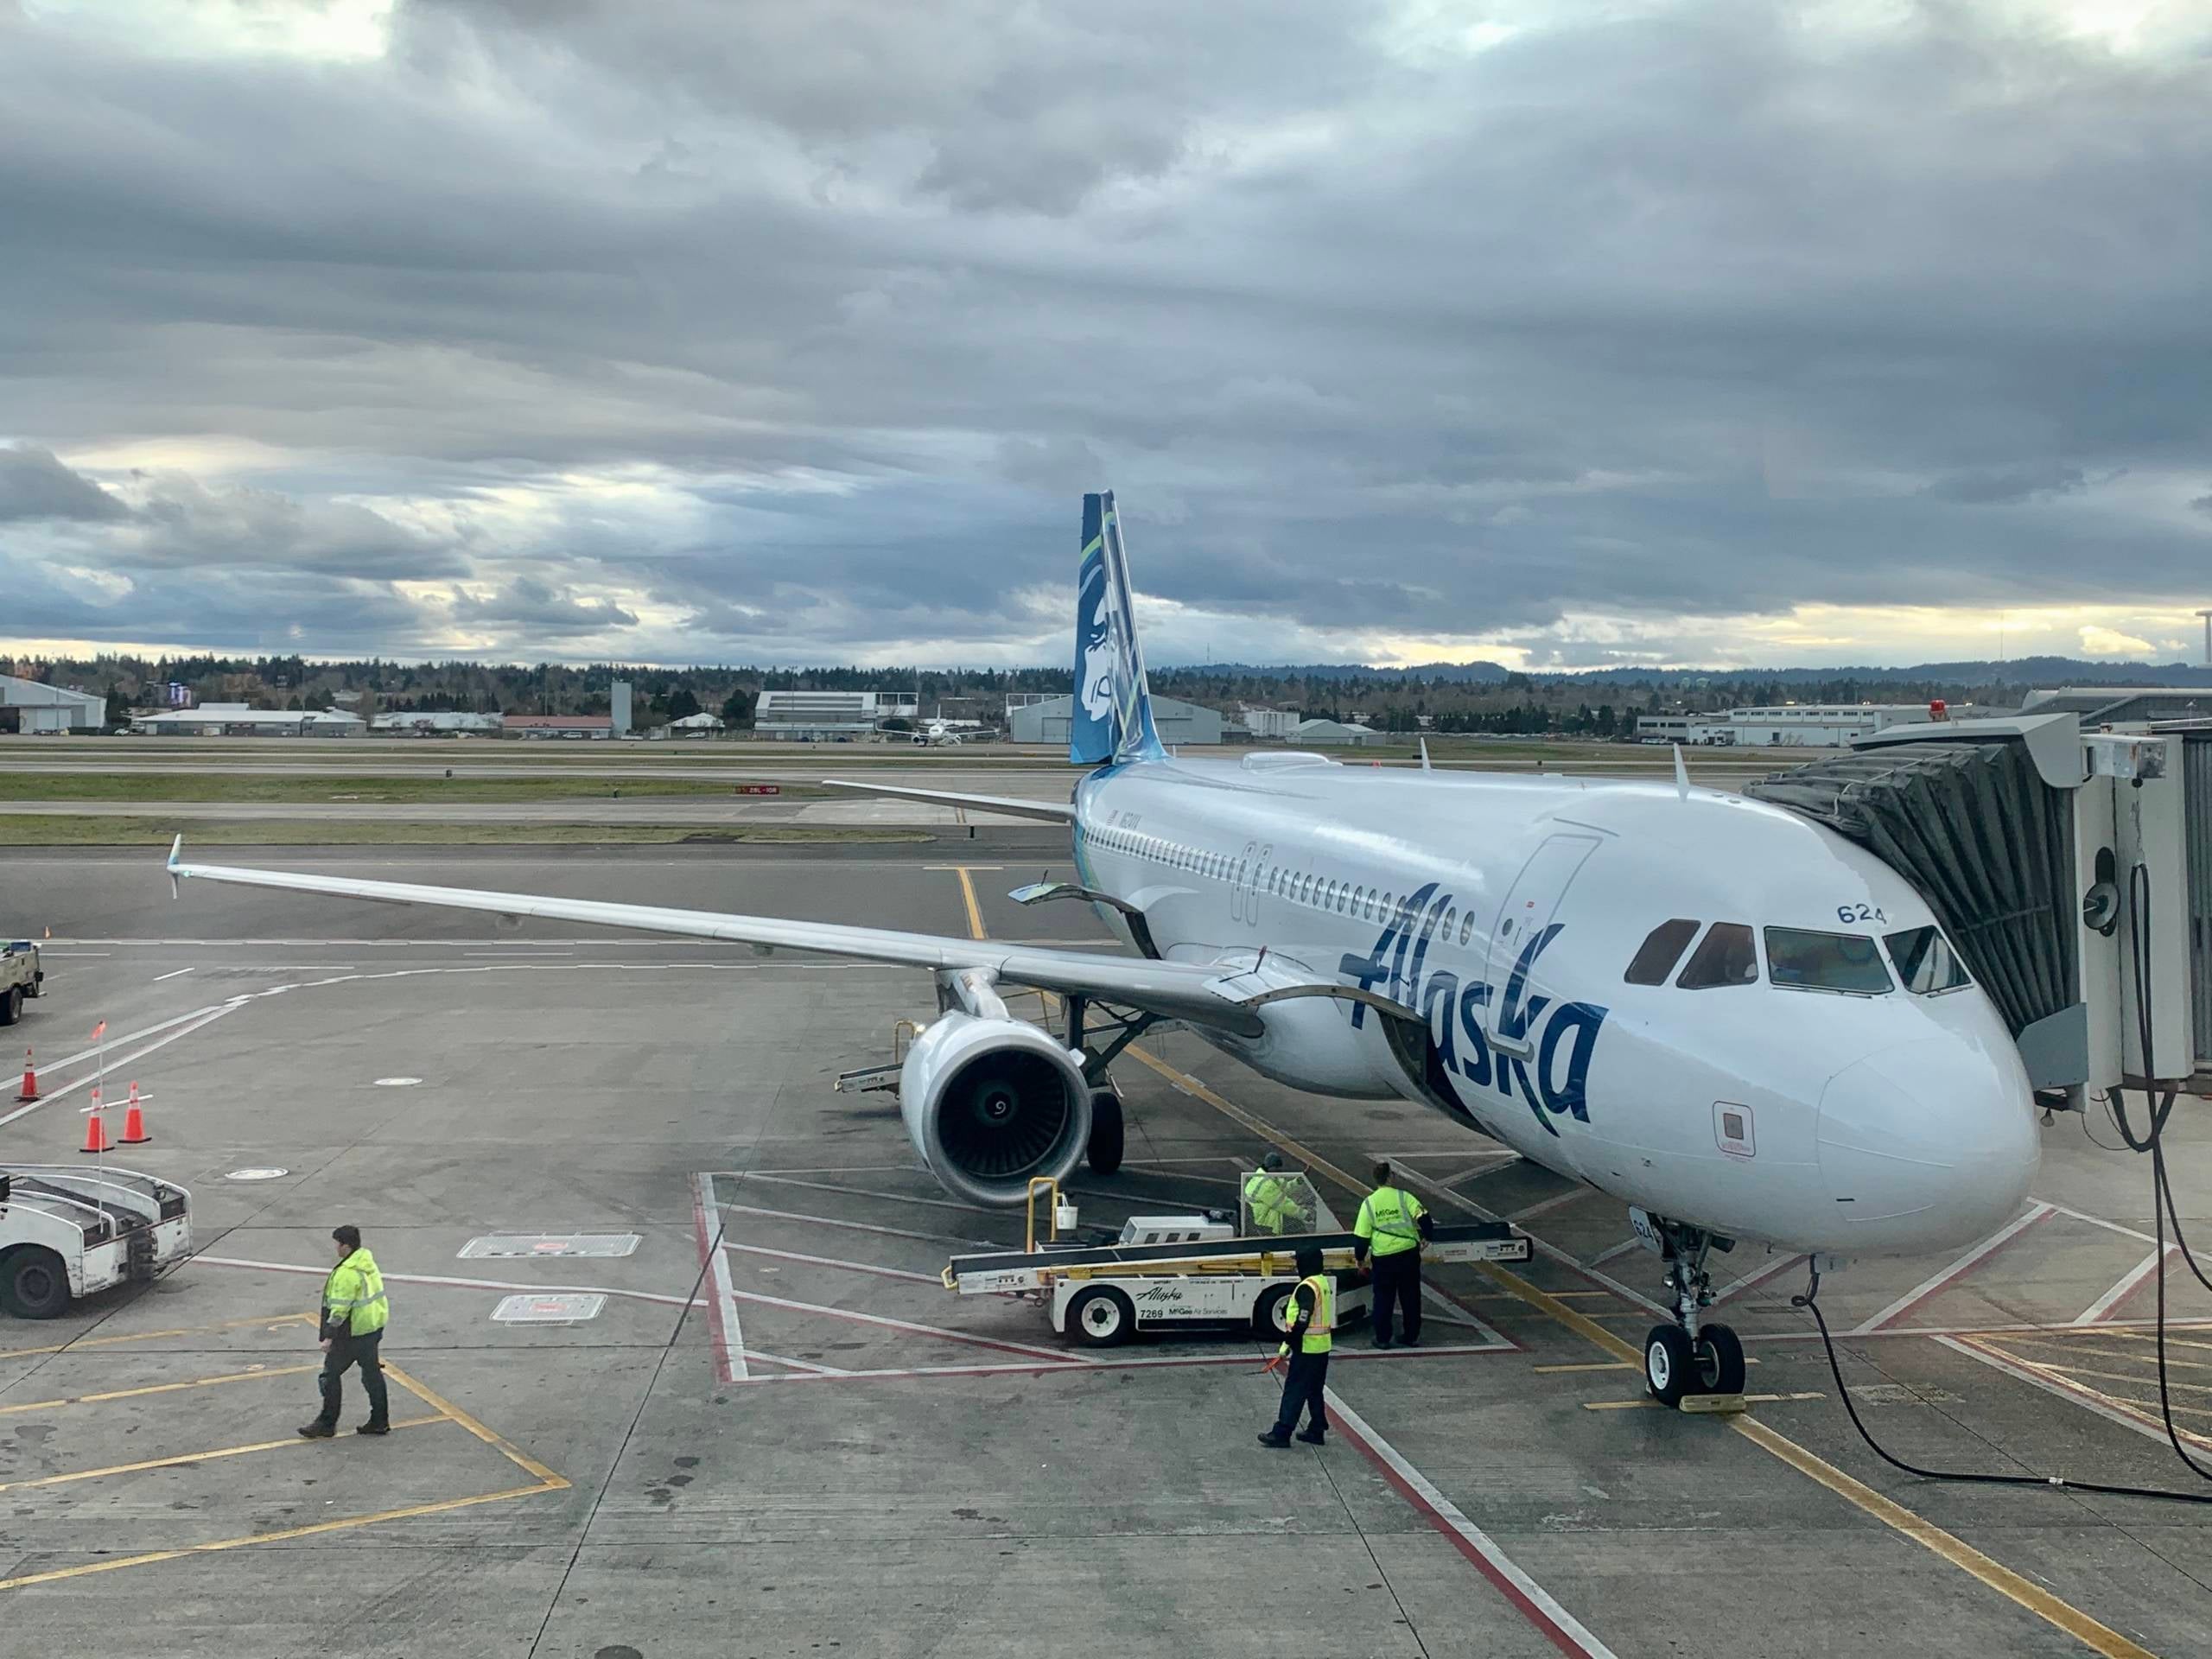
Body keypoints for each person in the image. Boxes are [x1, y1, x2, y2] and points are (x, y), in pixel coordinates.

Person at [300, 1224, 390, 1440]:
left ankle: (327, 1422)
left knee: (330, 1375)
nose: (336, 1249)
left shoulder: (347, 1274)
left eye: (338, 1244)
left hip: (352, 1333)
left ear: (346, 1246)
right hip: (372, 1328)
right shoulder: (367, 1263)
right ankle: (380, 1420)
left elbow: (340, 1310)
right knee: (372, 1374)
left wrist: (329, 1336)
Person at [1257, 1244, 1332, 1448]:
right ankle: (1317, 1428)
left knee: (1294, 1390)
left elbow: (1303, 1317)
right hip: (1321, 1347)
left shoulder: (1306, 1287)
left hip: (1307, 1347)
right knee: (1314, 1389)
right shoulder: (1321, 1282)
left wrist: (1289, 1341)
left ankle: (1282, 1432)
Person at [1353, 1161, 1433, 1349]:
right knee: (1411, 1297)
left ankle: (1382, 1339)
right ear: (1389, 1177)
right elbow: (1424, 1217)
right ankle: (1411, 1336)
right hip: (1408, 1255)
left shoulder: (1369, 1204)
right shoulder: (1403, 1197)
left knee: (1383, 1299)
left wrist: (1360, 1259)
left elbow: (1361, 1238)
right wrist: (1428, 1237)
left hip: (1383, 1258)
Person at [1243, 1151, 1306, 1236]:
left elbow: (1285, 1188)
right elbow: (1283, 1204)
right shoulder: (1267, 1185)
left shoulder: (1263, 1177)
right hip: (1265, 1224)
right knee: (1298, 1227)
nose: (1280, 1171)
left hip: (1258, 1218)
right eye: (1277, 1168)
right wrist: (1305, 1214)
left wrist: (1299, 1181)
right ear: (1272, 1167)